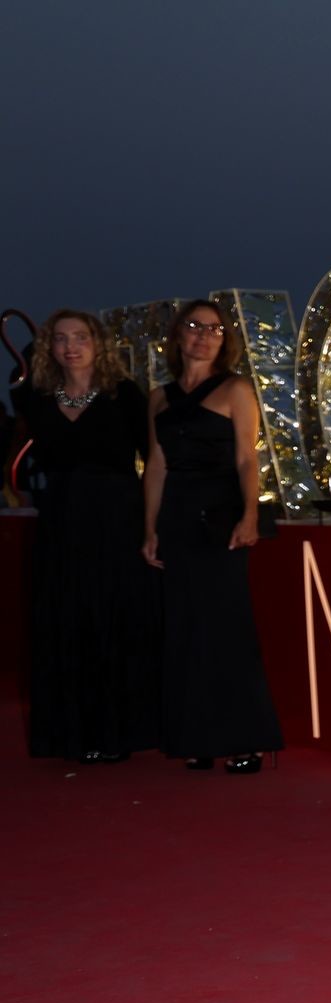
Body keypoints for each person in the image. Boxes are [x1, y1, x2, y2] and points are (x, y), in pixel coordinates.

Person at [143, 300, 283, 773]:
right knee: (184, 629)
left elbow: (247, 458)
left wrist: (250, 514)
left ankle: (246, 739)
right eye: (195, 326)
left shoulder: (236, 388)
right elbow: (156, 466)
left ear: (226, 341)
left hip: (221, 518)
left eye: (215, 329)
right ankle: (198, 737)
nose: (204, 336)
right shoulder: (159, 398)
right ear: (178, 335)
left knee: (226, 628)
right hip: (177, 518)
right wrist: (149, 528)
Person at [21, 310, 161, 761]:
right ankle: (72, 734)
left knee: (113, 619)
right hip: (61, 523)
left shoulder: (124, 395)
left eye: (81, 337)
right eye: (61, 338)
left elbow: (154, 462)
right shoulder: (38, 398)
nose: (71, 347)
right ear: (49, 347)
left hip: (117, 521)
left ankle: (115, 733)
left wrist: (151, 525)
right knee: (66, 621)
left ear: (99, 344)